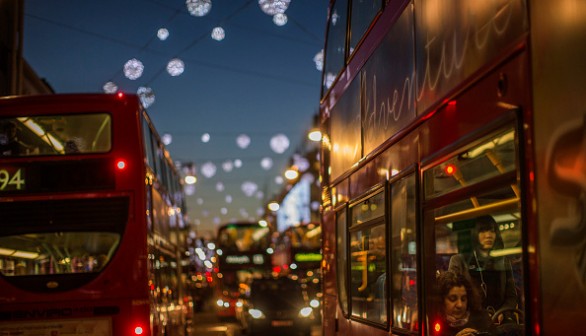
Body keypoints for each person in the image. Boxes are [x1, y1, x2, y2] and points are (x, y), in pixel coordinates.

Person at [448, 215, 518, 323]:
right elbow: (453, 295)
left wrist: (503, 313)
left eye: (492, 231)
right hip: (471, 322)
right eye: (483, 231)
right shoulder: (459, 261)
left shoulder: (503, 261)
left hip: (499, 322)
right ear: (475, 234)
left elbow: (511, 296)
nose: (488, 235)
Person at [436, 271, 496, 336]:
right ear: (441, 300)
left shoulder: (482, 320)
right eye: (453, 299)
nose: (460, 305)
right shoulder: (433, 326)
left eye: (463, 299)